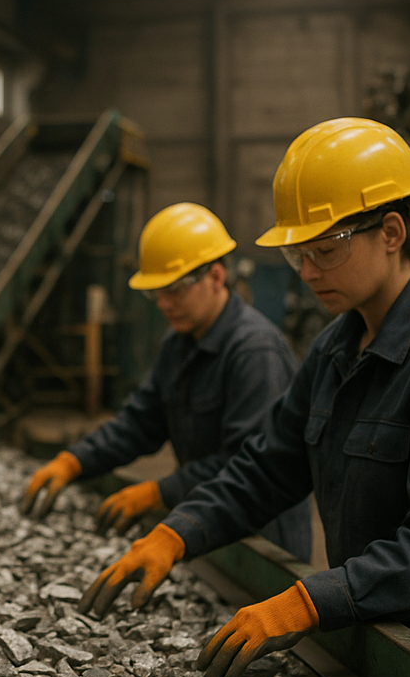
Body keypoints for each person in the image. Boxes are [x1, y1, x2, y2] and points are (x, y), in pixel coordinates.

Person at [78, 117, 410, 677]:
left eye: (325, 250)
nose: (309, 273)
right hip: (377, 636)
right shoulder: (337, 347)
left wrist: (308, 601)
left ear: (391, 232)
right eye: (299, 256)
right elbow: (267, 466)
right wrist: (176, 533)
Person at [20, 202, 311, 561]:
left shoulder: (255, 352)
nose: (163, 303)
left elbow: (248, 465)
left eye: (174, 290)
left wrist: (158, 492)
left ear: (216, 277)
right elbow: (140, 422)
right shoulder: (178, 343)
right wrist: (74, 461)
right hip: (206, 525)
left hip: (262, 541)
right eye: (156, 292)